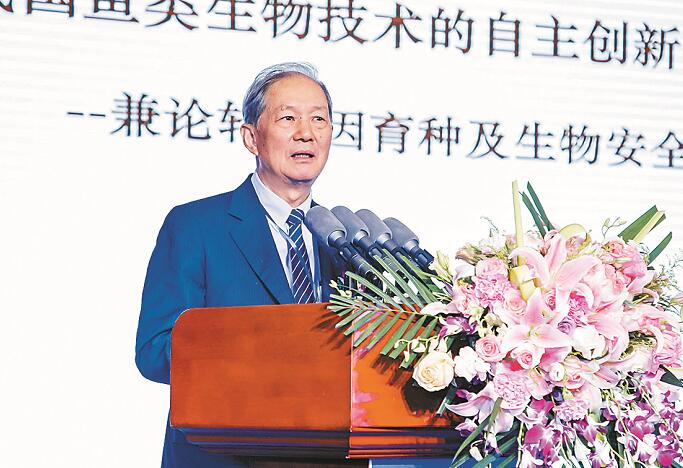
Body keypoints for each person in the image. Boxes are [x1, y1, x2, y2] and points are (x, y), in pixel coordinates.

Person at [135, 62, 351, 468]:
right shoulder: (196, 226)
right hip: (223, 455)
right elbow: (155, 351)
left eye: (319, 119)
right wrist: (266, 351)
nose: (306, 133)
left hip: (325, 455)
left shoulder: (346, 242)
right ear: (251, 137)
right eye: (288, 118)